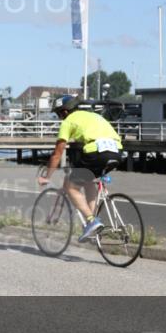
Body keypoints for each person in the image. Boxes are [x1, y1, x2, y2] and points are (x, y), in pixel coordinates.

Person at [38, 95, 124, 242]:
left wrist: (46, 176)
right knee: (89, 181)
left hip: (96, 152)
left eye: (58, 114)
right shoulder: (94, 116)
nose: (59, 118)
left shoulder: (68, 121)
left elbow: (57, 153)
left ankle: (91, 222)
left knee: (70, 186)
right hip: (117, 151)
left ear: (65, 112)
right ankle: (95, 224)